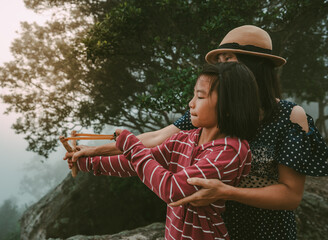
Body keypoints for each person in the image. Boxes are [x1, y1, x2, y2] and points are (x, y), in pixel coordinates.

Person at [65, 25, 328, 239]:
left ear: (255, 66)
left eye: (229, 60)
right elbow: (159, 140)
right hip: (214, 228)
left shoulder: (289, 116)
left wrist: (226, 192)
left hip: (265, 231)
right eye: (220, 61)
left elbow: (291, 195)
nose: (222, 69)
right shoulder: (209, 115)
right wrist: (92, 152)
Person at [66, 62, 261, 239]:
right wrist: (89, 162)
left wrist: (132, 146)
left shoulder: (229, 151)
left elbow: (173, 190)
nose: (191, 103)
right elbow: (137, 164)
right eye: (194, 95)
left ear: (228, 106)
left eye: (200, 96)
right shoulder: (187, 137)